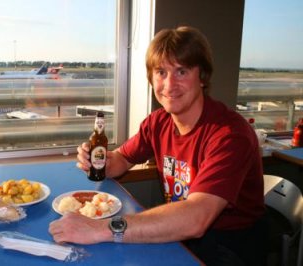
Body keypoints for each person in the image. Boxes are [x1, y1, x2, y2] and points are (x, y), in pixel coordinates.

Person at [49, 26, 267, 265]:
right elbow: (121, 159)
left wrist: (99, 229)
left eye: (181, 71)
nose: (169, 84)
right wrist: (100, 162)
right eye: (161, 72)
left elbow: (196, 218)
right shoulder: (158, 122)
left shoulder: (230, 135)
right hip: (183, 233)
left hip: (228, 246)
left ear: (202, 77)